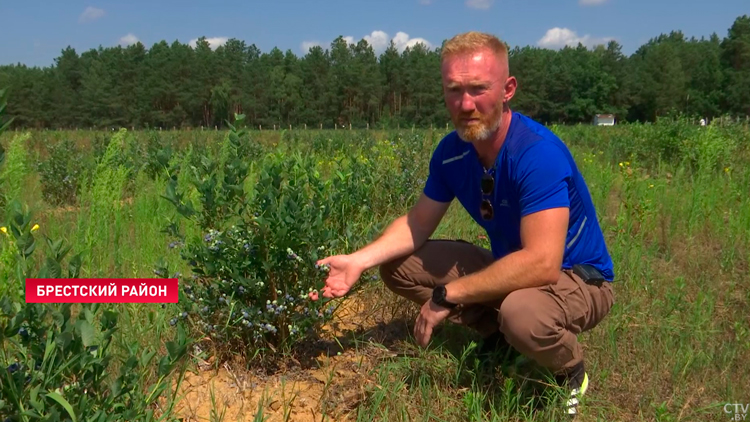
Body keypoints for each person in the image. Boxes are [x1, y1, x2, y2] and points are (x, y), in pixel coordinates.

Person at [314, 31, 615, 418]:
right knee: (399, 265)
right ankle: (499, 336)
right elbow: (416, 223)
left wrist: (447, 294)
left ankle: (569, 371)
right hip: (518, 268)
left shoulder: (536, 154)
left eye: (478, 89)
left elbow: (542, 262)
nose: (465, 104)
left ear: (508, 89)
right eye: (454, 90)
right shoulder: (452, 153)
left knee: (523, 313)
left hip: (579, 279)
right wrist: (358, 260)